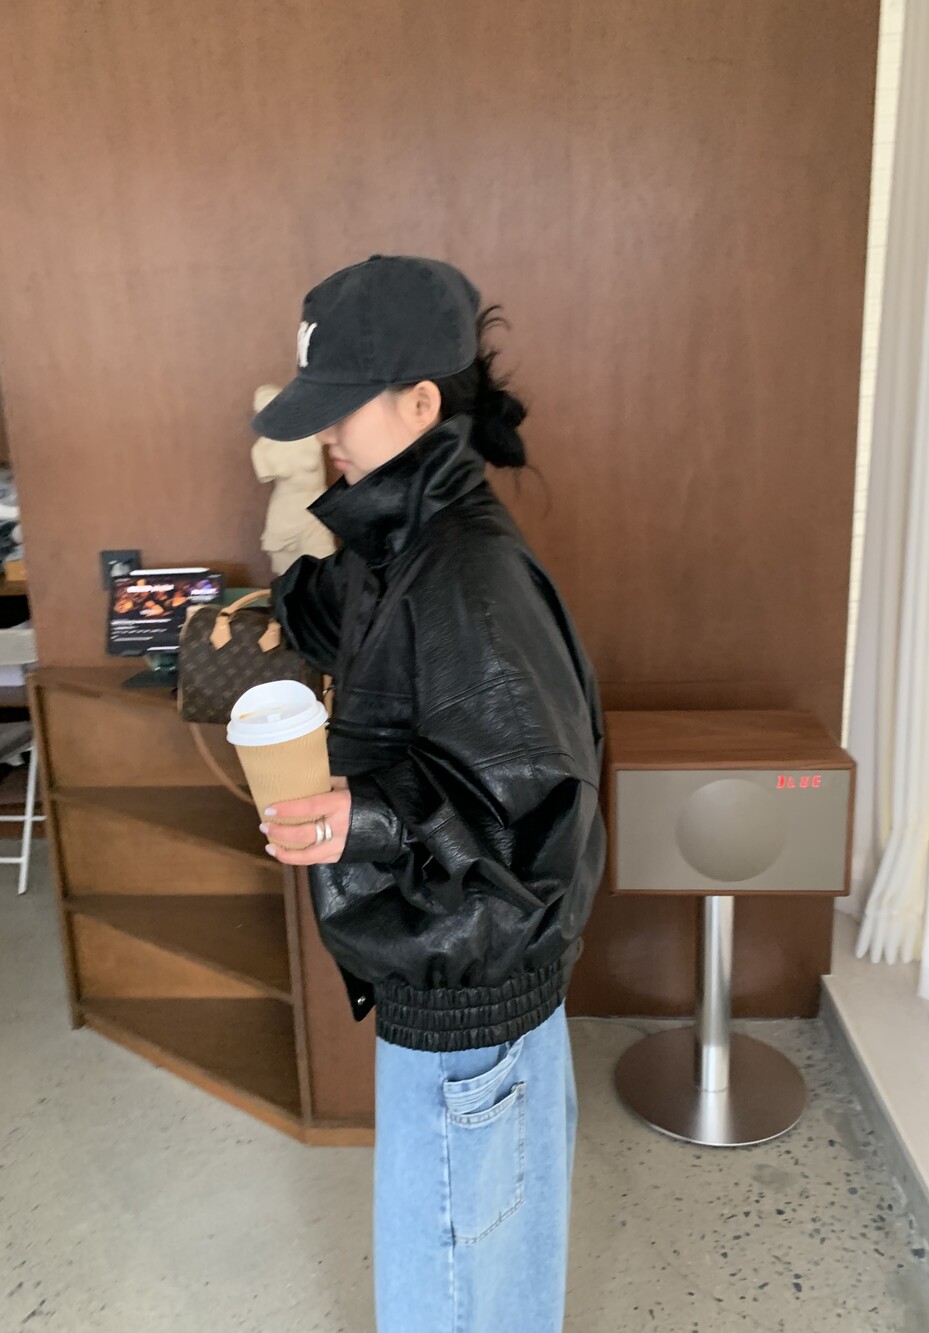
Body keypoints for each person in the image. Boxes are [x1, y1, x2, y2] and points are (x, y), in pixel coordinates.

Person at [252, 254, 606, 1333]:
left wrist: (362, 815)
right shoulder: (400, 540)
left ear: (418, 403)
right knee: (472, 1288)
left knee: (454, 1304)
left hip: (471, 1011)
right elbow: (345, 614)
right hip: (452, 989)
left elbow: (532, 812)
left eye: (342, 406)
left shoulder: (467, 572)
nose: (326, 431)